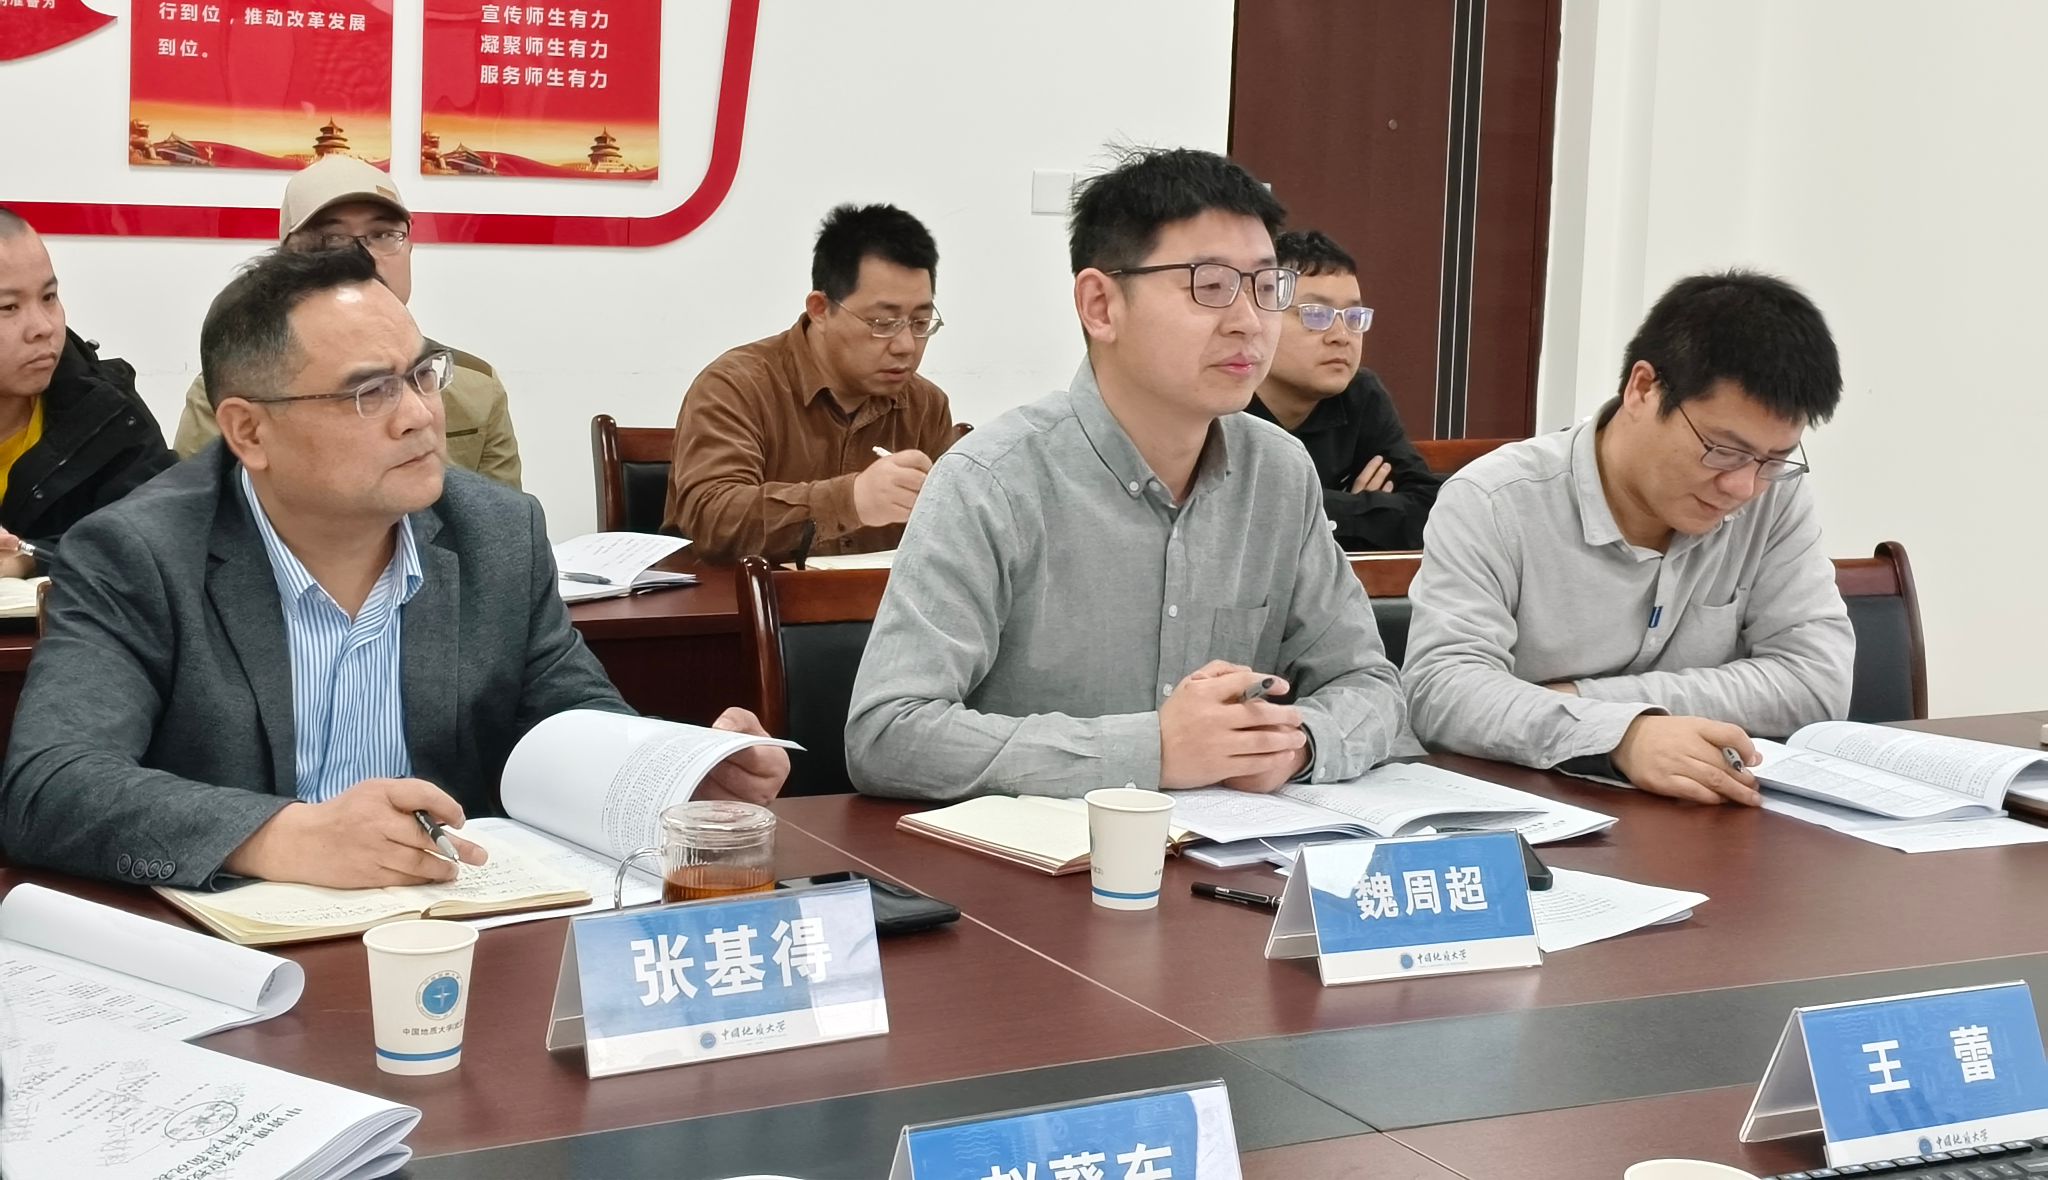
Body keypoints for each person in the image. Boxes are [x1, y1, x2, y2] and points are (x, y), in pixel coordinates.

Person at [0, 245, 787, 890]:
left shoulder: (495, 534)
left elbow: (569, 719)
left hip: (452, 935)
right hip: (237, 954)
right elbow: (48, 785)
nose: (419, 415)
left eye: (421, 374)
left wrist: (672, 777)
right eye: (369, 392)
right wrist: (284, 835)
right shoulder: (138, 553)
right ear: (248, 432)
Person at [844, 147, 1406, 802]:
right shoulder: (991, 481)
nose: (1249, 321)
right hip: (1040, 860)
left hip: (1236, 853)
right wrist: (1151, 751)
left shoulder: (1278, 473)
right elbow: (888, 735)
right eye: (1210, 285)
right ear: (1100, 305)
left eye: (1265, 287)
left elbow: (1369, 685)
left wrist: (1295, 741)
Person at [1403, 270, 1854, 806]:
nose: (1743, 486)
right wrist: (1621, 737)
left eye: (1774, 459)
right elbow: (1442, 691)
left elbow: (1816, 682)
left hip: (1714, 821)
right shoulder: (1495, 500)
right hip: (1538, 816)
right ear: (1643, 388)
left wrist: (1590, 705)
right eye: (1724, 450)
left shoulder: (1772, 497)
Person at [172, 155, 523, 487]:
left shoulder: (475, 388)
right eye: (333, 239)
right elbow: (195, 515)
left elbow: (503, 523)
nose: (362, 257)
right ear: (286, 261)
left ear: (409, 248)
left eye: (383, 234)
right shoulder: (238, 391)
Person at [663, 203, 955, 562]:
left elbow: (950, 534)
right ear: (820, 309)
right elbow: (713, 520)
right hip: (746, 597)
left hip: (877, 598)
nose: (906, 345)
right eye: (883, 323)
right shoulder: (735, 387)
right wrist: (851, 501)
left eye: (921, 323)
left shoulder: (926, 406)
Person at [0, 207, 174, 576]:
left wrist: (29, 558)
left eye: (49, 297)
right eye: (8, 307)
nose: (43, 327)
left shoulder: (107, 413)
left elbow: (165, 537)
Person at [1244, 229, 1440, 551]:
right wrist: (1366, 511)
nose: (1341, 335)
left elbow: (1429, 511)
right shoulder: (1221, 405)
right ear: (1260, 318)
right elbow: (1234, 515)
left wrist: (1336, 514)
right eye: (1315, 315)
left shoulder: (1361, 395)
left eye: (1354, 316)